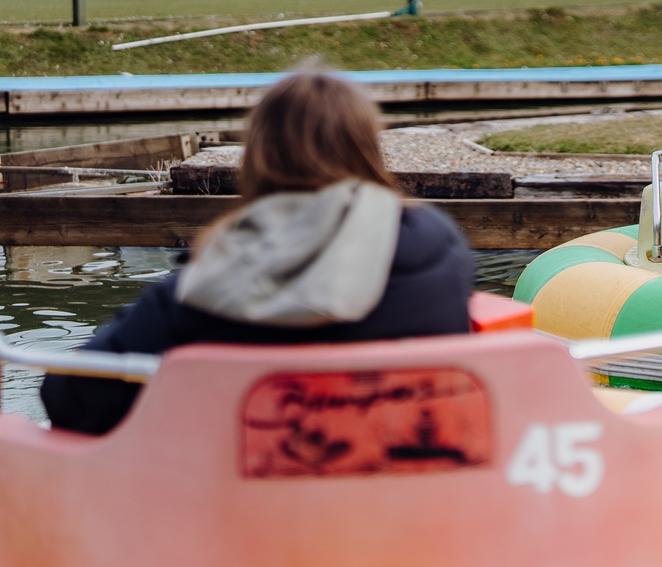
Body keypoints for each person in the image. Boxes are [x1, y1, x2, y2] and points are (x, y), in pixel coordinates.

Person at [40, 72, 475, 435]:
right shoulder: (441, 246)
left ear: (259, 157)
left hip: (240, 521)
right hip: (413, 508)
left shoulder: (208, 285)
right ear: (366, 146)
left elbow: (71, 402)